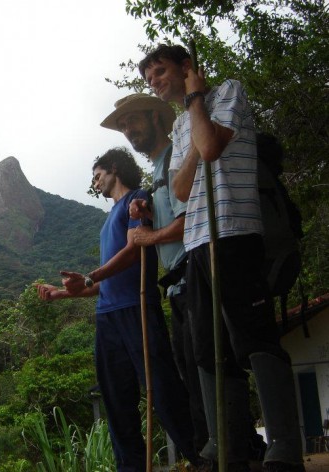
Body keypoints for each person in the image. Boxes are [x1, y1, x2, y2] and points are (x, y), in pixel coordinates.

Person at [138, 44, 304, 472]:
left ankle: (284, 446)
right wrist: (196, 134)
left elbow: (211, 146)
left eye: (160, 72)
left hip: (234, 232)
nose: (155, 82)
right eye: (150, 78)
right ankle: (227, 446)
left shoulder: (228, 92)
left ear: (187, 67)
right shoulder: (180, 125)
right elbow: (180, 189)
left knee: (253, 337)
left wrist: (197, 100)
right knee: (207, 346)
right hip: (197, 243)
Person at [36, 147, 199, 472]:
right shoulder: (108, 218)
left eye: (98, 175)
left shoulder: (136, 200)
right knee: (115, 398)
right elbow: (105, 282)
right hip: (107, 316)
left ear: (114, 168)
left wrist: (89, 276)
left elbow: (134, 249)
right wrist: (61, 294)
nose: (95, 182)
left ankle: (200, 456)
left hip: (136, 308)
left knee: (162, 388)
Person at [100, 93, 208, 454]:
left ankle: (214, 452)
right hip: (174, 285)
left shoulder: (175, 159)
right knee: (189, 371)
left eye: (132, 121)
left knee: (191, 374)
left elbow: (190, 220)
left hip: (191, 275)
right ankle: (207, 452)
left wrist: (149, 235)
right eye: (123, 126)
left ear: (155, 118)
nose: (128, 130)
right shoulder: (157, 174)